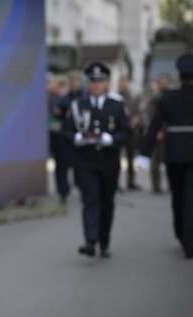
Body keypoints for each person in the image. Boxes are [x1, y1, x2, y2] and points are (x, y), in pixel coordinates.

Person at [136, 53, 193, 259]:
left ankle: (181, 233)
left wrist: (144, 154)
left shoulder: (167, 98)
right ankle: (190, 241)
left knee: (178, 195)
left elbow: (154, 127)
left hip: (174, 153)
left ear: (179, 74)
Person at [63, 62, 128, 258]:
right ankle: (90, 241)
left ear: (106, 83)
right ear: (88, 83)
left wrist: (111, 139)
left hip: (109, 162)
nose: (97, 85)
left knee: (107, 201)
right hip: (86, 161)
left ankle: (104, 240)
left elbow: (125, 132)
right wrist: (77, 138)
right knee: (90, 199)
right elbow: (66, 132)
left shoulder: (116, 105)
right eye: (93, 81)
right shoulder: (78, 105)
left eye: (100, 81)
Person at [53, 71, 85, 203]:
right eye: (71, 81)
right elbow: (56, 118)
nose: (74, 84)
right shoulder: (63, 100)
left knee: (82, 168)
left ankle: (84, 190)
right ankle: (63, 193)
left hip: (81, 138)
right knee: (61, 168)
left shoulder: (85, 98)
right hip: (65, 138)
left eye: (76, 81)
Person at [118, 76, 142, 191]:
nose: (123, 84)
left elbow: (137, 111)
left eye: (125, 82)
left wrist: (135, 119)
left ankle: (131, 182)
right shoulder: (115, 97)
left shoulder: (132, 96)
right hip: (119, 130)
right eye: (122, 82)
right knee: (116, 158)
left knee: (131, 158)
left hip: (131, 131)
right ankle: (115, 182)